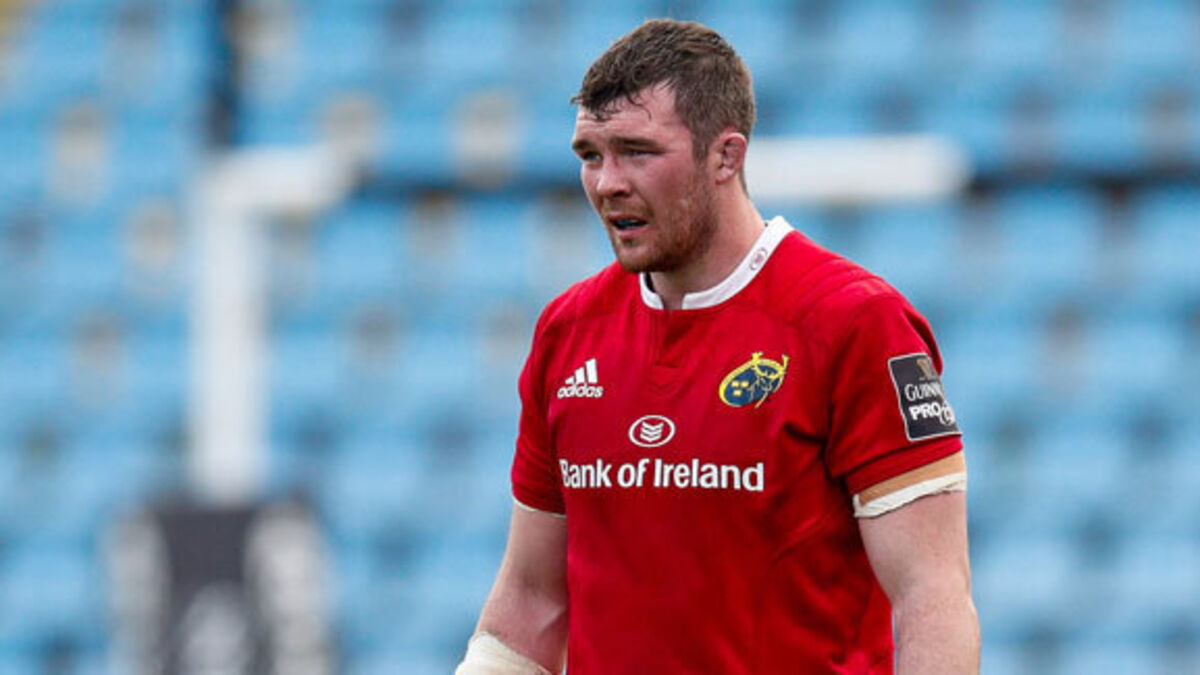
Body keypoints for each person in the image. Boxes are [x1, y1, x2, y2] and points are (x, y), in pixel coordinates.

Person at [457, 18, 979, 674]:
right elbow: (532, 601)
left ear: (726, 156)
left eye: (637, 151)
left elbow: (932, 596)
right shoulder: (568, 332)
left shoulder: (856, 324)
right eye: (590, 155)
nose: (607, 182)